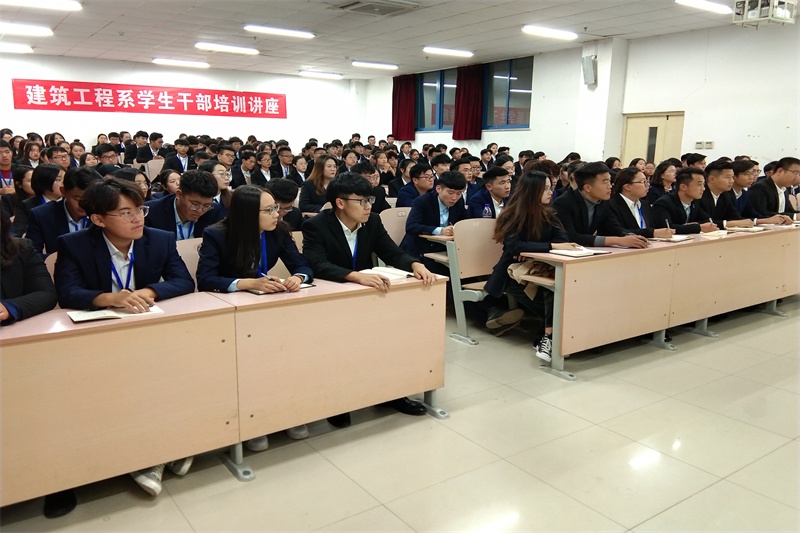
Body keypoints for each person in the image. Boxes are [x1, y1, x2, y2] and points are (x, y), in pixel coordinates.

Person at [54, 178, 195, 498]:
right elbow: (67, 293)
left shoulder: (159, 239)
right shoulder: (73, 244)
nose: (137, 219)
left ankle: (170, 445)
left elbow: (183, 281)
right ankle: (147, 456)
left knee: (173, 378)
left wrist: (149, 291)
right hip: (100, 334)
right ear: (98, 219)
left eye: (140, 210)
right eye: (126, 213)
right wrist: (109, 298)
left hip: (149, 330)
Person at [301, 172, 436, 427]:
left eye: (370, 200)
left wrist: (415, 264)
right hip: (332, 297)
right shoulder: (316, 225)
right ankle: (339, 401)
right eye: (361, 201)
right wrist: (355, 276)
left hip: (367, 296)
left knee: (387, 340)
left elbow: (390, 251)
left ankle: (391, 393)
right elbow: (316, 264)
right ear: (340, 203)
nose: (368, 207)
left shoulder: (372, 221)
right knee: (339, 350)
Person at [0, 210, 63, 517]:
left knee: (41, 412)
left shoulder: (21, 249)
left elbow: (46, 294)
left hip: (20, 348)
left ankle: (55, 482)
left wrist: (8, 308)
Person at [485, 172, 582, 362]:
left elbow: (562, 239)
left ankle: (547, 338)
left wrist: (532, 248)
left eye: (550, 188)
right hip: (513, 274)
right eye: (545, 189)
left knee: (556, 292)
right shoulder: (512, 215)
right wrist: (548, 246)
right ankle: (549, 339)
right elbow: (515, 246)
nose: (550, 192)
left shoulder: (548, 213)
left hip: (541, 268)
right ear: (532, 191)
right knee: (554, 298)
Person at [552, 162, 649, 248]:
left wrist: (631, 236)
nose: (610, 186)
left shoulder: (603, 202)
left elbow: (613, 227)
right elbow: (570, 236)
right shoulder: (564, 203)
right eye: (605, 182)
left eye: (610, 181)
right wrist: (617, 240)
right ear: (588, 188)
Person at [400, 171, 468, 275]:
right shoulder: (423, 201)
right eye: (450, 193)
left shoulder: (459, 202)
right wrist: (440, 230)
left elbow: (464, 221)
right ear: (438, 189)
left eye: (459, 193)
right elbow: (411, 227)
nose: (454, 198)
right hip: (420, 249)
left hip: (444, 248)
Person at [26, 166, 103, 257]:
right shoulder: (42, 215)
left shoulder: (104, 214)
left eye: (91, 199)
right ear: (63, 191)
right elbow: (31, 255)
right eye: (78, 198)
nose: (84, 205)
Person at [144, 169, 223, 240]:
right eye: (195, 204)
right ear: (179, 194)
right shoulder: (152, 212)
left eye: (206, 206)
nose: (200, 210)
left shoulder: (214, 211)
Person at [608, 168, 675, 238]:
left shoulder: (644, 204)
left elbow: (652, 226)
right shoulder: (611, 205)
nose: (647, 185)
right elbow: (618, 232)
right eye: (643, 181)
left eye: (647, 181)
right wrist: (652, 233)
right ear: (627, 187)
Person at [652, 167, 718, 234]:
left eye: (703, 184)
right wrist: (698, 227)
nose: (703, 188)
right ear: (683, 187)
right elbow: (667, 228)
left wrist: (694, 225)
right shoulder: (664, 203)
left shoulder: (695, 202)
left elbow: (708, 220)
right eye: (699, 184)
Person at [11, 163, 64, 237]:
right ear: (44, 182)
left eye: (65, 179)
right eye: (58, 179)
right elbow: (17, 233)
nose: (63, 183)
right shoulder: (27, 205)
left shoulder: (70, 202)